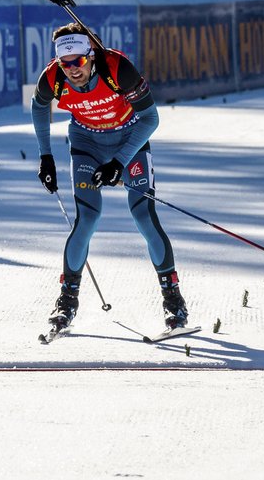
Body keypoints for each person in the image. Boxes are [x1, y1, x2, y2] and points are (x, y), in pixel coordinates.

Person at [31, 23, 188, 333]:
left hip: (130, 139)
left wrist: (119, 161)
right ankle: (67, 301)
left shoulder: (117, 68)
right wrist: (45, 156)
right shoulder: (53, 77)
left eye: (77, 62)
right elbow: (38, 108)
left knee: (143, 214)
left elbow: (151, 118)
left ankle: (173, 301)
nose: (72, 70)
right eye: (65, 63)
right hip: (86, 143)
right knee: (87, 219)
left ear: (91, 55)